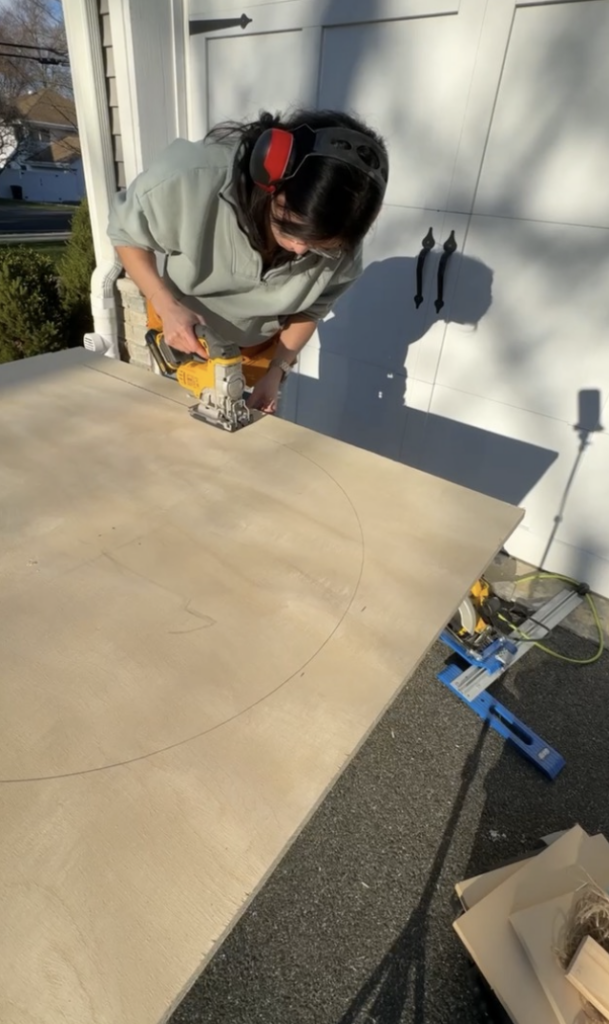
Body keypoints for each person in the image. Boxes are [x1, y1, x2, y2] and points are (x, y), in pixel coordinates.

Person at [107, 108, 389, 413]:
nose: (298, 249)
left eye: (318, 246)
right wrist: (164, 303)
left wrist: (277, 371)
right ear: (271, 174)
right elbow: (126, 234)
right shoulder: (191, 177)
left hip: (258, 351)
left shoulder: (341, 240)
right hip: (182, 333)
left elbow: (311, 309)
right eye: (291, 227)